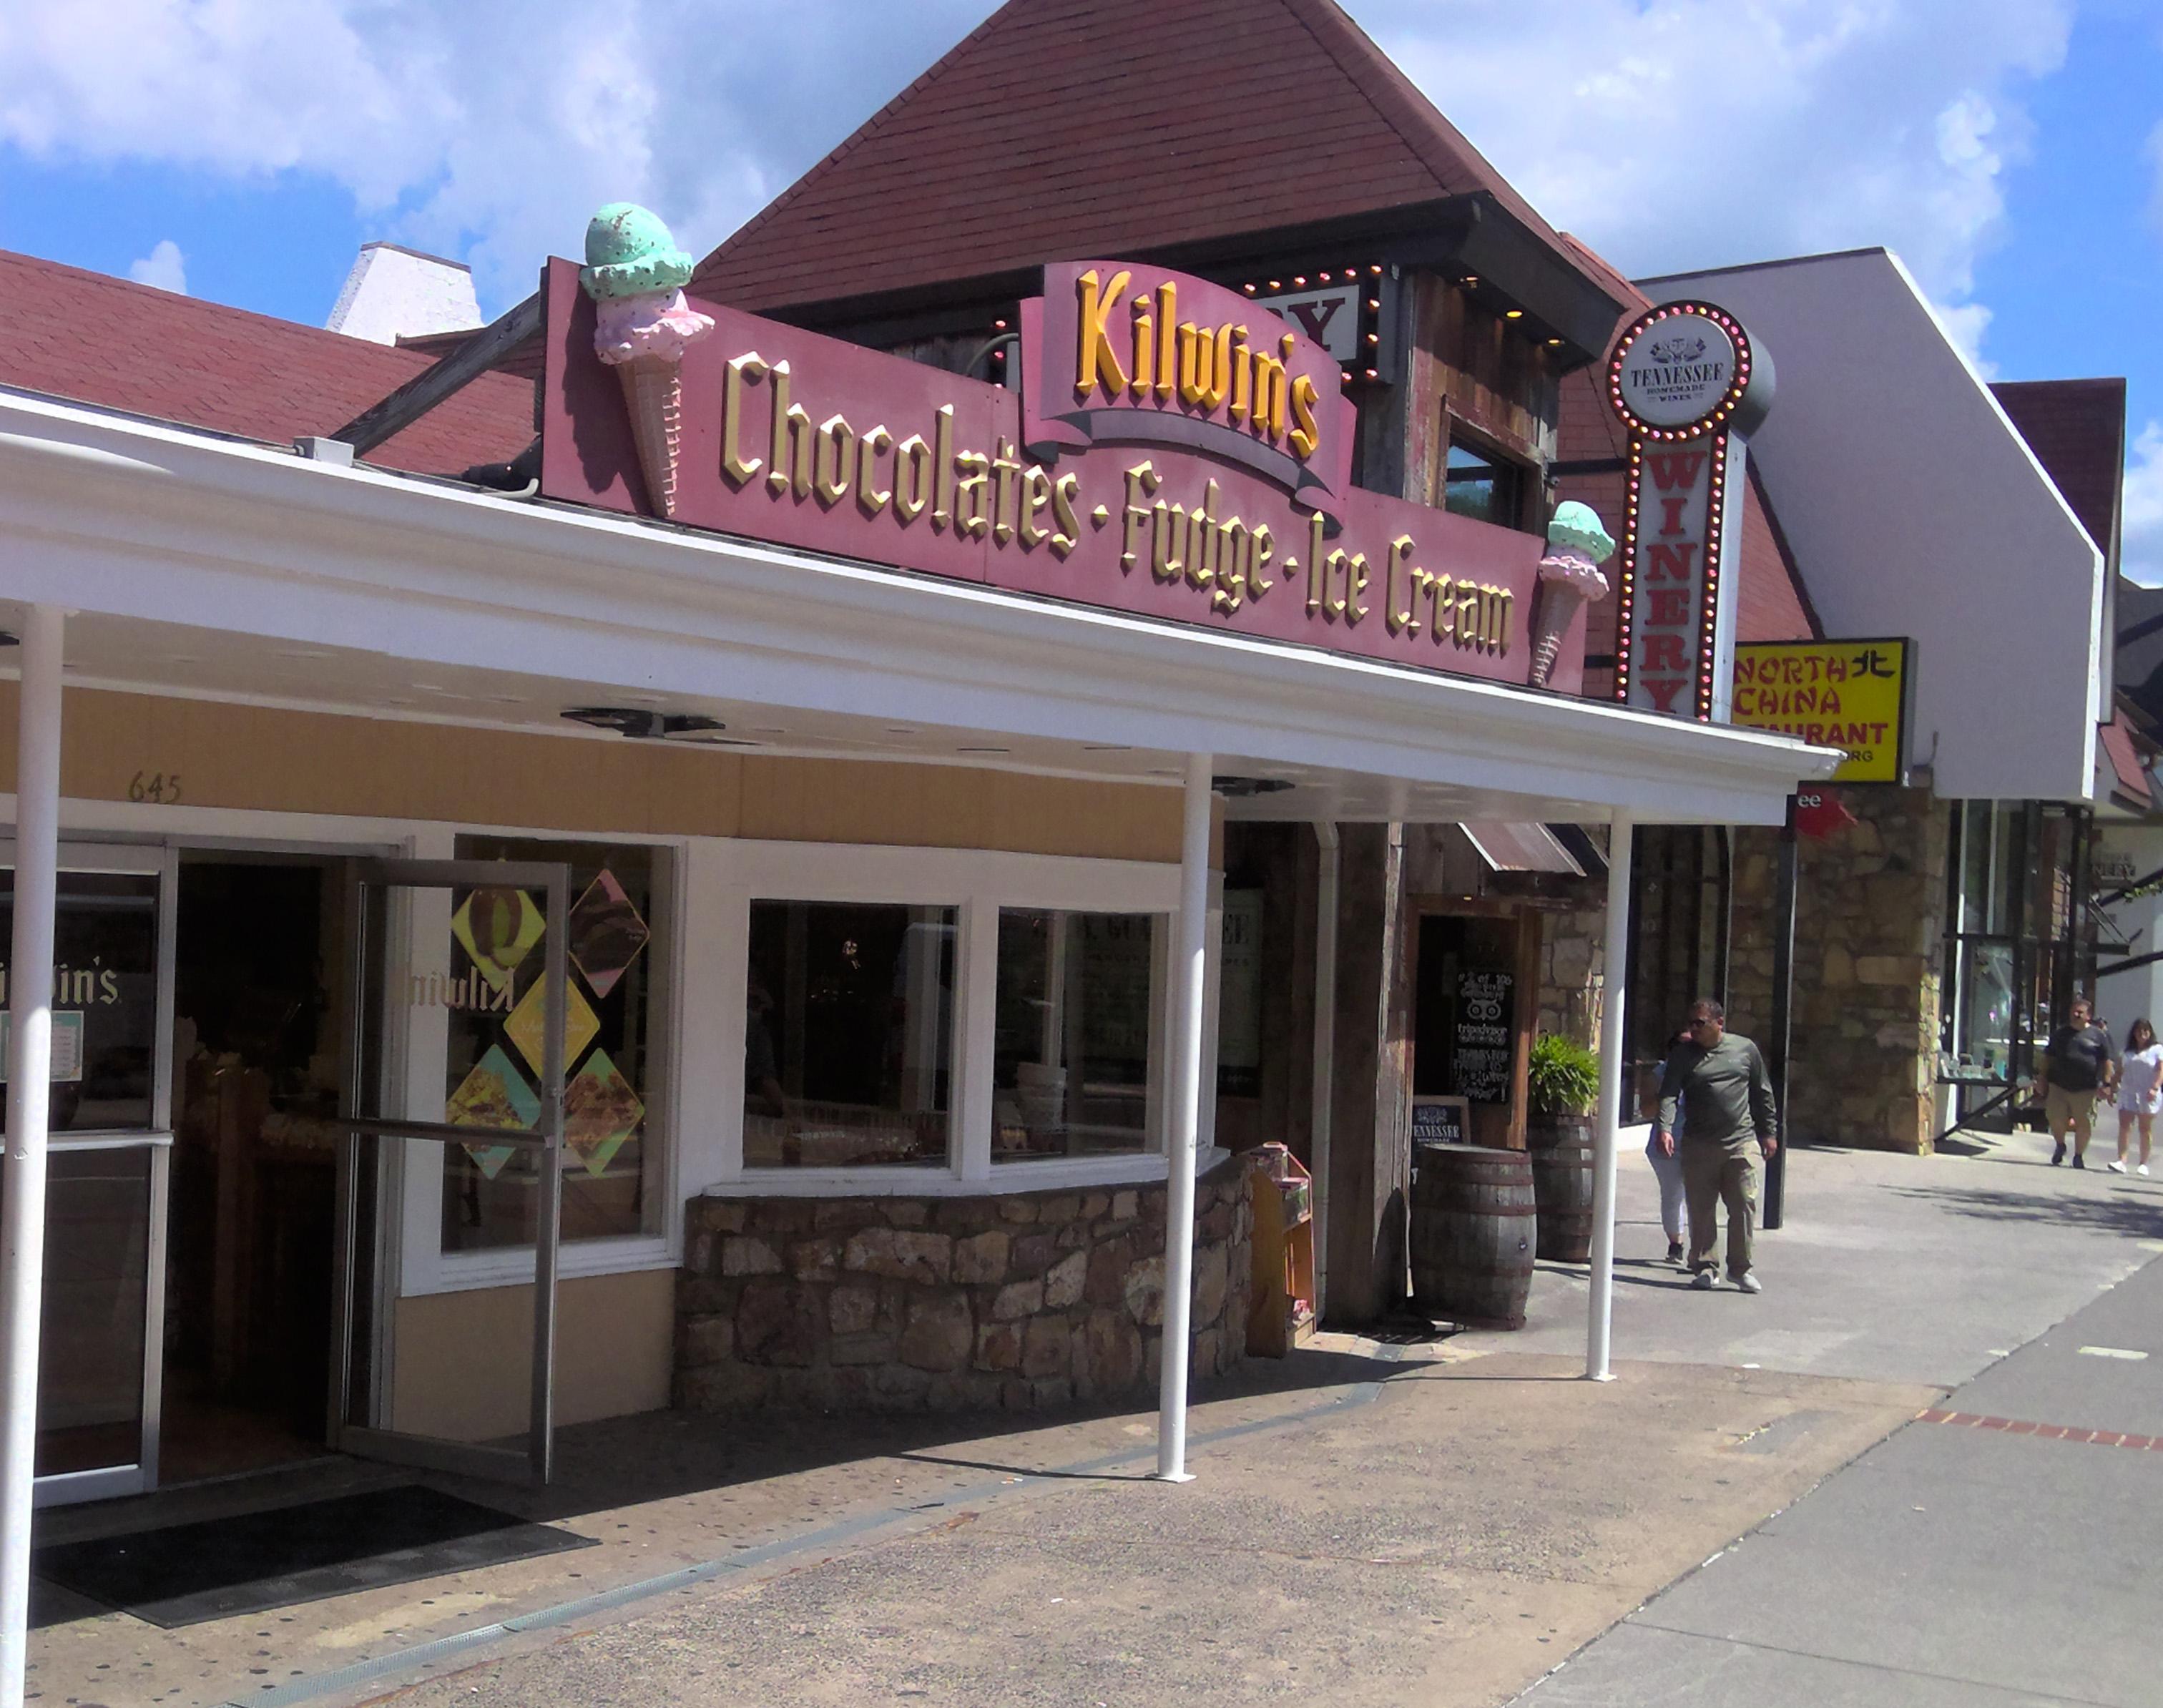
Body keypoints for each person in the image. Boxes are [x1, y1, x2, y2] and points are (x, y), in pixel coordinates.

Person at [1653, 998, 1778, 1293]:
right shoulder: (1684, 1056)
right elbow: (1669, 1093)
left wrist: (1768, 1132)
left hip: (1740, 1142)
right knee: (1702, 1209)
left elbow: (1762, 1093)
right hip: (1699, 1144)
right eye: (1691, 1024)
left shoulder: (1745, 1050)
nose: (1693, 1029)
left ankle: (1741, 1269)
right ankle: (1706, 1267)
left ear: (1719, 1023)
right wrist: (1665, 1128)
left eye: (1700, 1023)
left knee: (1744, 1203)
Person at [2041, 994, 2118, 1169]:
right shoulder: (2061, 1034)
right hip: (2059, 1084)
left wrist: (2106, 1084)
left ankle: (2078, 1156)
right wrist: (2042, 1078)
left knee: (2084, 1122)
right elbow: (2048, 1057)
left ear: (2088, 1016)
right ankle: (2060, 1145)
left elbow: (2107, 1061)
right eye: (2074, 1011)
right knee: (2055, 1118)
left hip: (2086, 1087)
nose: (2076, 1014)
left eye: (2080, 1012)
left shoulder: (2098, 1036)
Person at [1646, 1026, 1693, 1264]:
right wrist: (1664, 1095)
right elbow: (1645, 1109)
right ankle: (1676, 1245)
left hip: (1698, 1144)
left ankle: (1702, 1253)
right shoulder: (1659, 1073)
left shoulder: (1704, 1073)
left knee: (1699, 1199)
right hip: (1665, 1144)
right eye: (1679, 1046)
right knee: (1672, 1195)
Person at [2110, 1017, 2162, 1177]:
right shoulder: (2127, 1053)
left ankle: (2143, 1163)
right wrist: (2111, 1089)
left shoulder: (2157, 1050)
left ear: (2150, 1033)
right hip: (2128, 1092)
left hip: (2148, 1093)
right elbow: (2118, 1072)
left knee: (2145, 1128)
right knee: (2125, 1126)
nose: (2142, 1033)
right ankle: (2121, 1160)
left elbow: (2161, 1070)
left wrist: (2155, 1087)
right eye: (2139, 1030)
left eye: (2145, 1030)